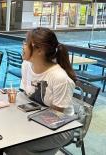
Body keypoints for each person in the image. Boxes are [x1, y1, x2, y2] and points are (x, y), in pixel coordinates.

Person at [5, 27, 77, 155]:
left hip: (61, 128)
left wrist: (23, 129)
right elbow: (25, 95)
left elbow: (55, 117)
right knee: (5, 139)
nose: (23, 46)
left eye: (26, 43)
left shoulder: (60, 78)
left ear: (39, 50)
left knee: (15, 149)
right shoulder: (27, 65)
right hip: (36, 116)